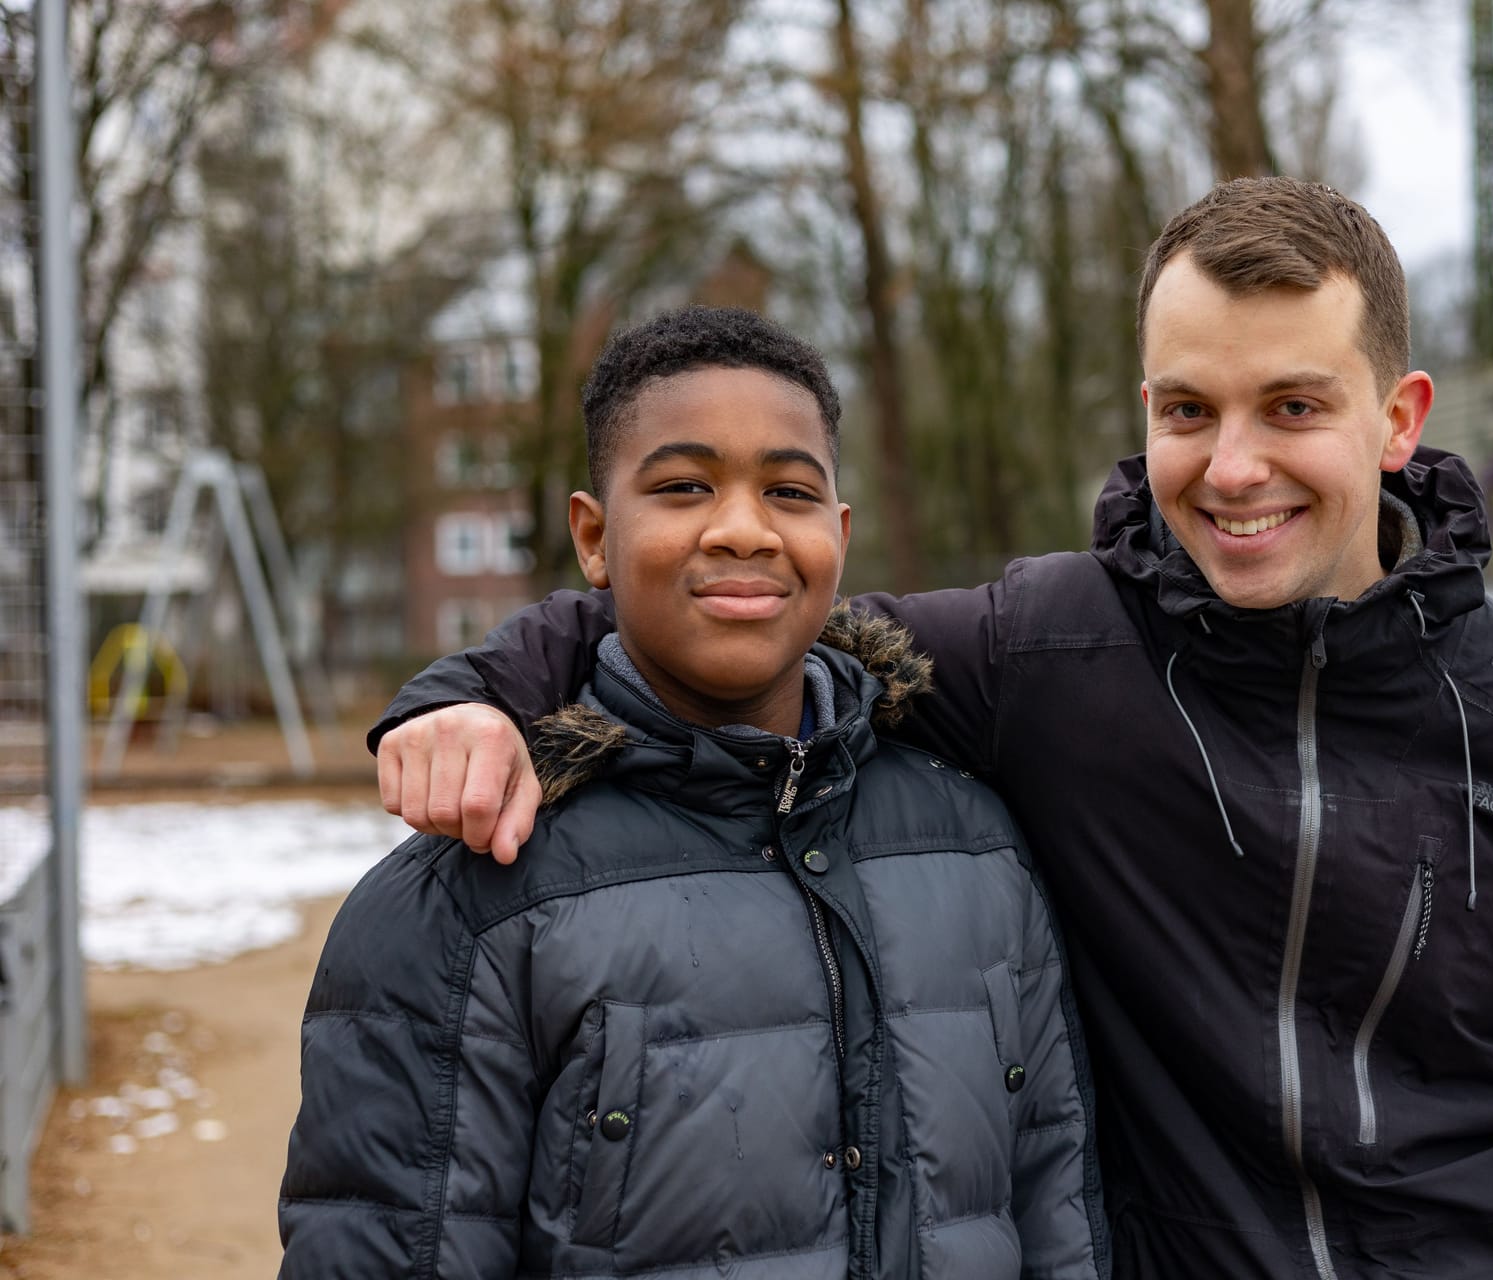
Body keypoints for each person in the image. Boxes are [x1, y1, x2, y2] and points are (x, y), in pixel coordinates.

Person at [369, 180, 1493, 1278]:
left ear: (1396, 419)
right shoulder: (1049, 653)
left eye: (1292, 405)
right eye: (1190, 409)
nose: (1232, 467)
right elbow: (751, 599)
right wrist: (479, 693)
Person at [279, 307, 1108, 1279]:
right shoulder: (469, 894)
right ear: (594, 535)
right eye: (683, 486)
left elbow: (1059, 1212)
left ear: (839, 533)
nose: (745, 528)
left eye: (789, 491)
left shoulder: (978, 846)